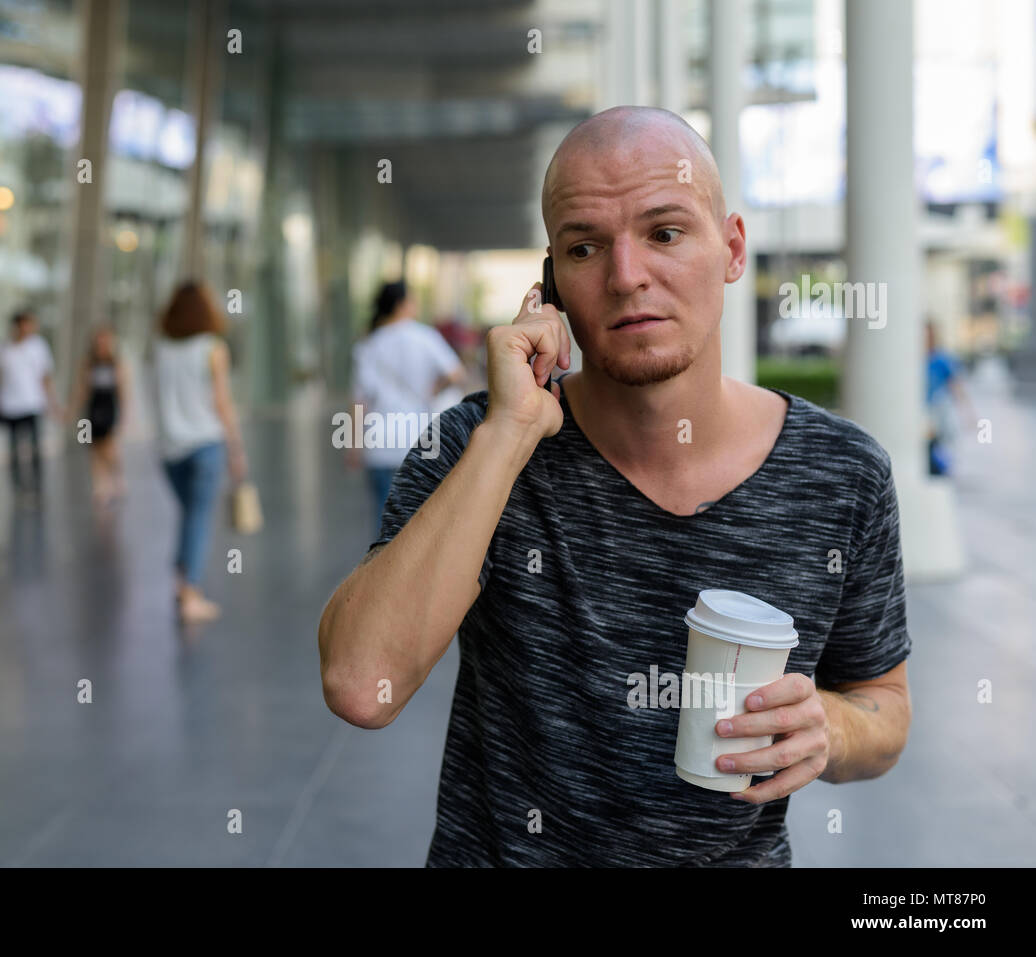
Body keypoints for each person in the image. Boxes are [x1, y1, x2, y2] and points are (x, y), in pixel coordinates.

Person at [318, 107, 913, 867]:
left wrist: (831, 725)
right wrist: (509, 435)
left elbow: (883, 706)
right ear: (550, 285)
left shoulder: (843, 472)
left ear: (731, 249)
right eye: (585, 246)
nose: (627, 275)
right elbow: (362, 684)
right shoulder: (477, 445)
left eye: (665, 233)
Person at [150, 281, 248, 625]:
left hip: (169, 449)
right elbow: (221, 402)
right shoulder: (212, 348)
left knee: (189, 514)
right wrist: (236, 448)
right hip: (205, 444)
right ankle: (191, 593)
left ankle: (181, 582)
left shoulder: (161, 349)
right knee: (198, 517)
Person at [348, 280, 466, 532]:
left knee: (383, 521)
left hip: (378, 443)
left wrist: (353, 444)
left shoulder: (368, 346)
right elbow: (456, 373)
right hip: (419, 440)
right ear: (401, 304)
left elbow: (359, 401)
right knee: (418, 521)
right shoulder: (425, 337)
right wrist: (433, 390)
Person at [0, 309, 61, 498]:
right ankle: (18, 488)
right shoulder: (3, 349)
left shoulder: (38, 347)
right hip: (10, 406)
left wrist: (52, 403)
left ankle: (37, 486)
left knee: (36, 447)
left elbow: (45, 377)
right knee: (14, 449)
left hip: (33, 404)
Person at [69, 325, 129, 507]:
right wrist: (73, 411)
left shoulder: (116, 363)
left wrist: (125, 415)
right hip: (92, 410)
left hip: (109, 408)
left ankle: (117, 478)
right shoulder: (88, 363)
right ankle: (100, 486)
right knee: (93, 448)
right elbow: (82, 390)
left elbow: (122, 391)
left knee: (109, 447)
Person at [925, 321, 974, 477]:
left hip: (937, 411)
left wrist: (968, 414)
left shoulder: (942, 360)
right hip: (919, 412)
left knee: (939, 446)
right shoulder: (913, 360)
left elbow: (956, 386)